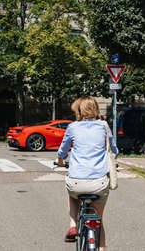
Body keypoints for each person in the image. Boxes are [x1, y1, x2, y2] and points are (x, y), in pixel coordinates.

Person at [56, 96, 118, 250]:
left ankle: (72, 225)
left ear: (79, 111)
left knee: (71, 191)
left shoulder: (72, 127)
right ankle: (101, 249)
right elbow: (114, 149)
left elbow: (62, 151)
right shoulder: (104, 126)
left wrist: (61, 161)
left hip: (77, 183)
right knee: (99, 220)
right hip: (99, 183)